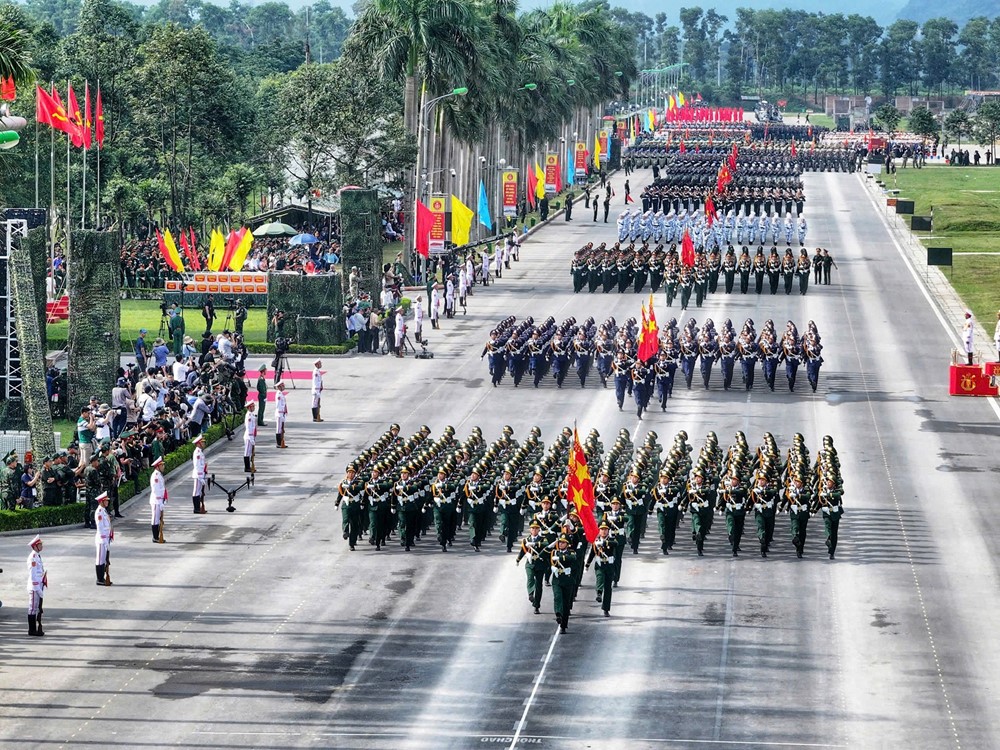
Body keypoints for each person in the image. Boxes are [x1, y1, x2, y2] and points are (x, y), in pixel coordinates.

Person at [585, 522, 616, 617]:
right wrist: (587, 564)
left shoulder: (611, 539)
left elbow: (615, 543)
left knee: (608, 588)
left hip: (609, 566)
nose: (603, 531)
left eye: (605, 529)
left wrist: (604, 542)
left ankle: (606, 609)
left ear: (608, 531)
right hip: (600, 564)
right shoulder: (596, 541)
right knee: (600, 577)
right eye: (602, 529)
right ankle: (599, 592)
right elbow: (591, 553)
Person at [516, 520, 546, 614]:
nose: (534, 530)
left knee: (538, 584)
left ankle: (536, 605)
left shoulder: (542, 539)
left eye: (536, 528)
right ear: (530, 529)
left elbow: (547, 545)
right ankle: (530, 593)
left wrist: (535, 544)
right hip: (530, 563)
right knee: (530, 578)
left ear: (539, 529)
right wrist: (518, 559)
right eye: (532, 528)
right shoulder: (526, 540)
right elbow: (522, 551)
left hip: (540, 564)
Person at [550, 534, 576, 634]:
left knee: (566, 603)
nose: (561, 544)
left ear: (567, 544)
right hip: (557, 580)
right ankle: (558, 614)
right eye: (560, 542)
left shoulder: (571, 552)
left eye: (563, 542)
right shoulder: (554, 552)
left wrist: (560, 559)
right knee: (557, 597)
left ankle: (563, 625)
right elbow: (546, 555)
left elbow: (572, 559)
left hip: (568, 580)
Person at [336, 464, 364, 551]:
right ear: (347, 473)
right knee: (345, 519)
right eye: (349, 472)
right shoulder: (343, 482)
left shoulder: (358, 481)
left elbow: (360, 488)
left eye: (352, 473)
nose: (351, 474)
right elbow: (340, 494)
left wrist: (351, 487)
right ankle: (345, 531)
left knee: (354, 525)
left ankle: (352, 543)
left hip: (355, 505)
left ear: (355, 474)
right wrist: (337, 503)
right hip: (346, 504)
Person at [26, 535, 47, 636]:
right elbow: (33, 575)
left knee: (35, 608)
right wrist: (38, 589)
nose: (41, 546)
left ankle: (34, 629)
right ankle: (32, 630)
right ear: (35, 546)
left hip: (38, 585)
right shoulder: (33, 558)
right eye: (40, 545)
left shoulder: (37, 555)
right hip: (35, 587)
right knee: (32, 608)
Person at [94, 492, 113, 585]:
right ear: (102, 501)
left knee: (104, 559)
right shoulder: (99, 512)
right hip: (102, 539)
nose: (107, 502)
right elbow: (100, 527)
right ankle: (99, 579)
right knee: (100, 559)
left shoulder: (104, 510)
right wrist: (104, 539)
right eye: (106, 501)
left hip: (106, 538)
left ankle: (102, 578)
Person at [150, 455, 166, 543]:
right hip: (156, 500)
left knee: (157, 518)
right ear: (158, 466)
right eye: (162, 465)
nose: (163, 467)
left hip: (159, 500)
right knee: (155, 518)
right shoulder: (156, 476)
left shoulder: (159, 474)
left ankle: (157, 536)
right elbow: (156, 490)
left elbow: (162, 488)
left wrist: (164, 500)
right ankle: (155, 537)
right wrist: (160, 501)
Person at [191, 434, 207, 514]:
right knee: (196, 491)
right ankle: (196, 508)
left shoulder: (199, 452)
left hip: (201, 474)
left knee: (199, 491)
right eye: (202, 442)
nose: (204, 444)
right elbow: (197, 465)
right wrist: (200, 477)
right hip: (198, 475)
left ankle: (198, 507)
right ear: (198, 443)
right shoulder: (197, 452)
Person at [243, 401, 257, 474]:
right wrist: (251, 437)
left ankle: (249, 466)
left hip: (251, 435)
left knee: (249, 452)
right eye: (252, 406)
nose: (254, 407)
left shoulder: (252, 414)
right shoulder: (248, 415)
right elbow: (249, 427)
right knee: (247, 452)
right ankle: (247, 467)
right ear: (249, 408)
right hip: (249, 436)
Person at [274, 381, 287, 448]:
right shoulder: (279, 394)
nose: (283, 386)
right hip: (279, 413)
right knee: (279, 429)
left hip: (282, 413)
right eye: (282, 385)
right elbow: (278, 405)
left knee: (281, 428)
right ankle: (279, 443)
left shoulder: (281, 394)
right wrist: (282, 411)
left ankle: (281, 442)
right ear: (279, 387)